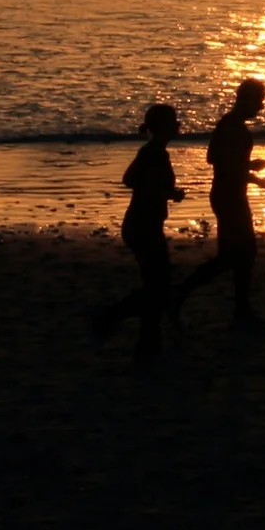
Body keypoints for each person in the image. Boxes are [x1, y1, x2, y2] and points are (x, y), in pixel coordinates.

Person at [90, 102, 185, 364]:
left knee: (156, 284)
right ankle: (112, 318)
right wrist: (167, 193)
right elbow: (132, 181)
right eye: (173, 121)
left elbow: (134, 181)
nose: (178, 125)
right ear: (162, 127)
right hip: (143, 226)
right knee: (158, 286)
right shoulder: (153, 153)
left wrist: (165, 193)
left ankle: (147, 341)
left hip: (144, 225)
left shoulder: (154, 151)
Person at [175, 78, 265, 327]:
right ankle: (182, 295)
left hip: (225, 194)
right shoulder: (235, 129)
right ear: (246, 99)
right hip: (230, 197)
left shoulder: (227, 124)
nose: (260, 107)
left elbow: (215, 159)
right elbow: (227, 167)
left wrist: (247, 166)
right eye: (258, 101)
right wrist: (256, 179)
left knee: (237, 255)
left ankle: (239, 309)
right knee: (238, 255)